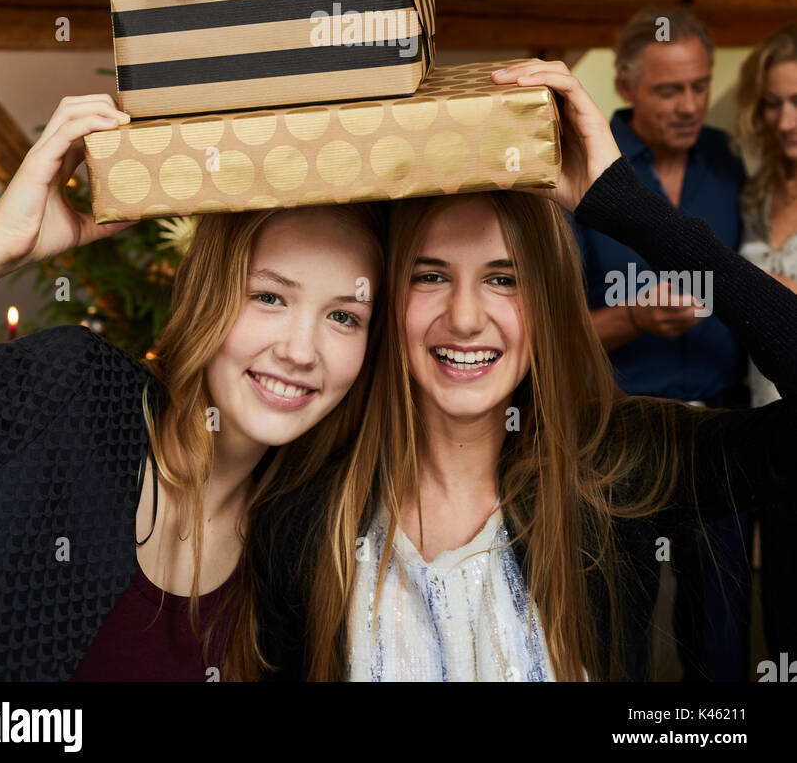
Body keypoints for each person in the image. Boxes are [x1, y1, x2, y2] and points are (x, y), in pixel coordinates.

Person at [242, 60, 796, 682]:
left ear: (547, 302)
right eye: (430, 276)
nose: (466, 316)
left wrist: (629, 208)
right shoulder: (305, 511)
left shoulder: (619, 464)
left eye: (503, 279)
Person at [0, 92, 387, 682]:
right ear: (207, 295)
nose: (300, 352)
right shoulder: (65, 394)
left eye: (343, 316)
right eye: (269, 296)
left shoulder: (310, 550)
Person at [573, 7, 752, 682]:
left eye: (700, 86)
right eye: (668, 91)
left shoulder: (730, 164)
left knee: (723, 638)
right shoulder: (584, 170)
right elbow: (545, 336)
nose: (690, 106)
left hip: (724, 434)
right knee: (618, 637)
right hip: (618, 440)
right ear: (625, 88)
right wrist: (633, 320)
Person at [734, 23, 797, 658]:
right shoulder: (755, 192)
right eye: (775, 102)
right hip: (769, 430)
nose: (785, 118)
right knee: (779, 615)